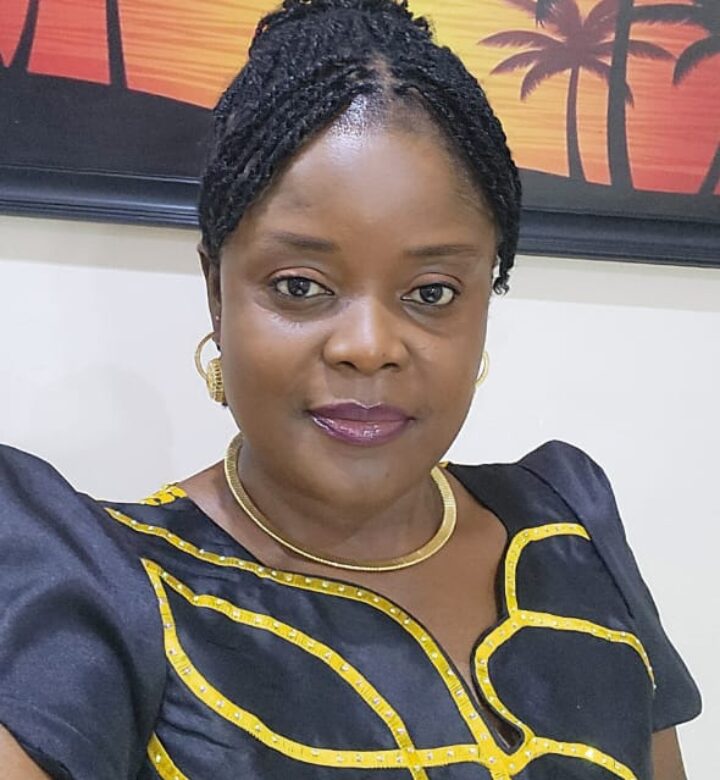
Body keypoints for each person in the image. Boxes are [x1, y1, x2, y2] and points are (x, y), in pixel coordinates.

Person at [0, 1, 701, 778]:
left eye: (432, 293)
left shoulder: (567, 529)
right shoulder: (100, 592)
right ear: (216, 293)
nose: (369, 347)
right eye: (300, 285)